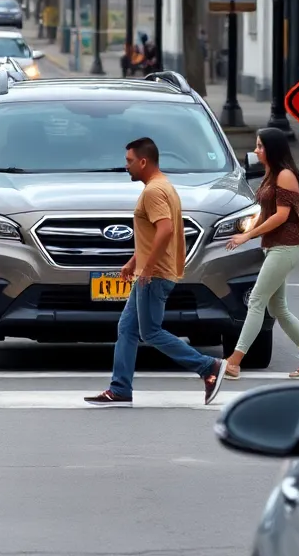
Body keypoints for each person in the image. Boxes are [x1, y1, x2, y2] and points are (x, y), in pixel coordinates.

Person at [85, 137, 227, 406]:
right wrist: (133, 262)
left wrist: (147, 267)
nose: (126, 166)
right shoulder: (165, 187)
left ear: (143, 161)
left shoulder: (152, 191)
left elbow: (166, 230)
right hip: (150, 271)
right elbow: (153, 233)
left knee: (150, 332)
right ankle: (120, 388)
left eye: (129, 161)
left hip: (155, 274)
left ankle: (208, 367)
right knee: (127, 328)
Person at [223, 128, 299, 380]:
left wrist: (248, 235)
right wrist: (247, 230)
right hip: (274, 248)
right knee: (278, 308)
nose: (256, 150)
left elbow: (281, 216)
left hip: (286, 248)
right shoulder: (272, 174)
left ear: (272, 148)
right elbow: (265, 211)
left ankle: (234, 361)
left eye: (260, 146)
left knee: (256, 300)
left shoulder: (285, 175)